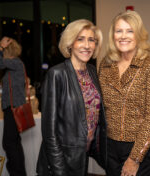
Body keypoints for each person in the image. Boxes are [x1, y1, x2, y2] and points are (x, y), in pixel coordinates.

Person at [99, 10, 150, 176]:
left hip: (138, 147)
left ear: (139, 35)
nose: (123, 36)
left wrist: (134, 158)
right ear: (113, 35)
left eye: (130, 31)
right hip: (109, 146)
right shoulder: (105, 64)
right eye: (119, 31)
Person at [36, 19, 106, 176]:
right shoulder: (57, 74)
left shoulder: (92, 72)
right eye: (80, 39)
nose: (86, 45)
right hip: (60, 163)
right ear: (70, 43)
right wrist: (59, 170)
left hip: (81, 157)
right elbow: (49, 133)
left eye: (91, 40)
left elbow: (92, 117)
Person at [0, 37, 27, 176]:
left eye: (4, 50)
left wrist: (0, 47)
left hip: (13, 109)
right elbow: (6, 84)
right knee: (14, 143)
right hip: (12, 107)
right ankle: (19, 173)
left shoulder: (15, 63)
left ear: (7, 50)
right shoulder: (14, 66)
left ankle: (16, 173)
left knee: (10, 143)